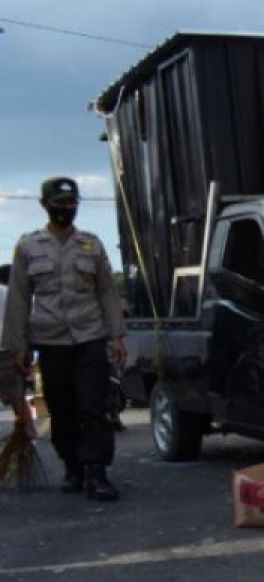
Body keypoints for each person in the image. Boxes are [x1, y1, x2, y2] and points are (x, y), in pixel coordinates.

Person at [1, 177, 127, 501]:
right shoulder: (28, 247)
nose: (66, 210)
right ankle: (73, 464)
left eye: (71, 204)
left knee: (94, 406)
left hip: (89, 336)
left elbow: (107, 293)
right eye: (59, 204)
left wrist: (116, 336)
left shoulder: (92, 244)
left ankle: (97, 472)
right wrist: (18, 346)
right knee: (62, 408)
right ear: (45, 205)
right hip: (51, 340)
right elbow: (18, 298)